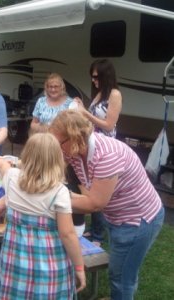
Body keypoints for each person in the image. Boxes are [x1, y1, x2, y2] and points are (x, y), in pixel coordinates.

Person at [50, 110, 164, 300]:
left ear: (75, 139)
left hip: (138, 220)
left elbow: (95, 204)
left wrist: (51, 198)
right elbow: (61, 172)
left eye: (58, 143)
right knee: (125, 269)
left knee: (120, 277)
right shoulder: (74, 150)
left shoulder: (107, 156)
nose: (57, 148)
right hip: (118, 216)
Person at [0, 133, 86, 299]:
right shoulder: (59, 192)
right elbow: (68, 234)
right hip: (49, 266)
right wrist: (79, 267)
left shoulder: (12, 178)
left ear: (25, 156)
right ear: (57, 159)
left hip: (16, 263)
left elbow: (2, 165)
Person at [30, 73, 85, 236]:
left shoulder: (70, 104)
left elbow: (76, 127)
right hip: (43, 149)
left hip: (63, 151)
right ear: (46, 88)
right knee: (44, 179)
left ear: (62, 88)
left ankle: (68, 217)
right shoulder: (40, 102)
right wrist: (43, 129)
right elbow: (33, 124)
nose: (53, 89)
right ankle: (46, 212)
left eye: (56, 86)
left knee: (64, 181)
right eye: (50, 86)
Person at [75, 58, 123, 245]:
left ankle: (98, 236)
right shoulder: (99, 93)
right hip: (93, 147)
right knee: (91, 190)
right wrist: (81, 108)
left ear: (105, 75)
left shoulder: (115, 95)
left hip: (107, 150)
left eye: (96, 76)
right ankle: (95, 231)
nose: (93, 80)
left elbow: (109, 125)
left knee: (99, 194)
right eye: (92, 77)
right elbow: (90, 118)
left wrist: (84, 112)